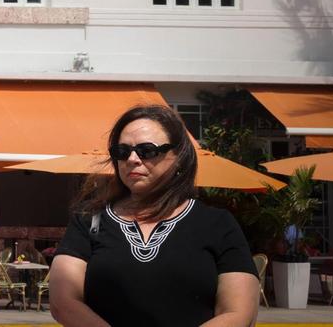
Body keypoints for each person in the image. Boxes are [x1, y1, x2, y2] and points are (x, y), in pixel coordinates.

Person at [49, 104, 259, 327]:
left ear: (178, 156)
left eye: (147, 150)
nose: (132, 159)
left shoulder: (217, 224)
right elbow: (63, 301)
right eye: (122, 151)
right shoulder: (89, 221)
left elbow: (239, 312)